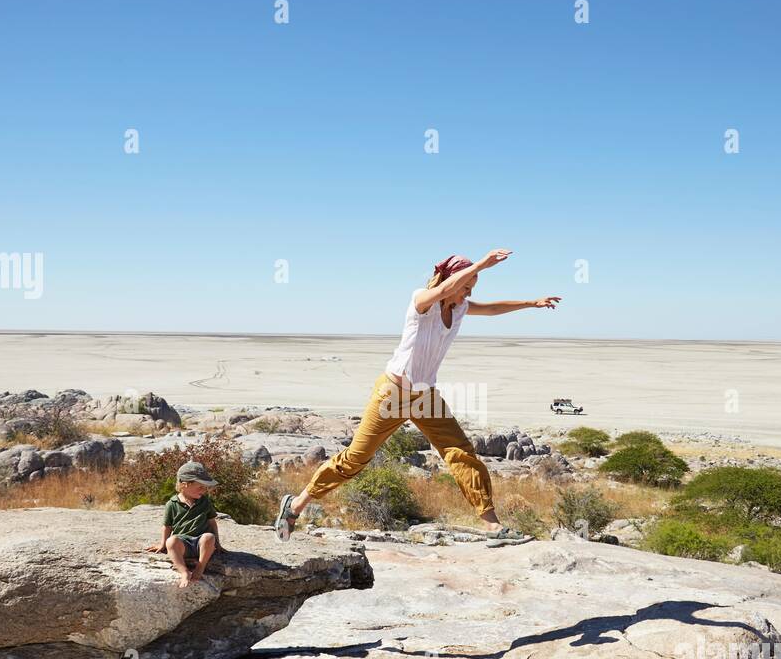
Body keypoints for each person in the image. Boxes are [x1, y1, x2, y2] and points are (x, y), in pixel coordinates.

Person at [274, 249, 561, 541]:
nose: (466, 295)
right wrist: (481, 264)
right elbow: (445, 290)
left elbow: (490, 309)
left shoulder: (459, 307)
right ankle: (296, 505)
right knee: (355, 459)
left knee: (462, 453)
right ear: (449, 280)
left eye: (470, 289)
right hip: (392, 393)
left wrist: (531, 303)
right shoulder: (421, 301)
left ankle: (493, 526)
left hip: (425, 397)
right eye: (464, 287)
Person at [150, 460, 223, 586]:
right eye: (200, 487)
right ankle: (184, 571)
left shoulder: (205, 502)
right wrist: (163, 544)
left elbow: (212, 522)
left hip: (201, 543)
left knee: (209, 537)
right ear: (184, 485)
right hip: (183, 544)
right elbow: (167, 526)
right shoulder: (172, 504)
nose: (204, 490)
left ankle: (200, 567)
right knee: (171, 542)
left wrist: (217, 543)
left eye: (205, 488)